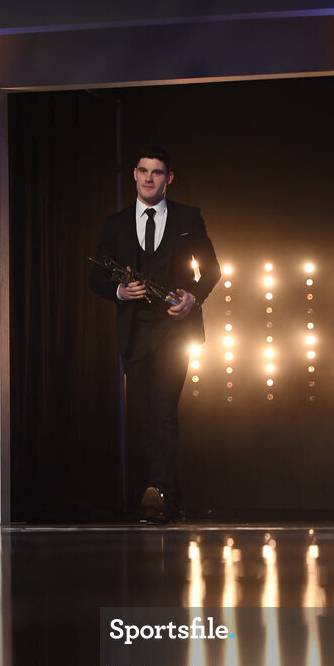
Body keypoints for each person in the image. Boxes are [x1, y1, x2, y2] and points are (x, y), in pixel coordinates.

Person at [89, 147, 221, 523]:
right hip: (134, 333)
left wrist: (193, 299)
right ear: (134, 174)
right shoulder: (114, 224)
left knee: (163, 410)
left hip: (175, 330)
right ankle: (169, 495)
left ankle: (156, 492)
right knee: (149, 416)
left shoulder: (188, 217)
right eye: (144, 171)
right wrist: (118, 292)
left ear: (169, 177)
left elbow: (213, 269)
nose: (149, 178)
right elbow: (95, 276)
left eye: (157, 172)